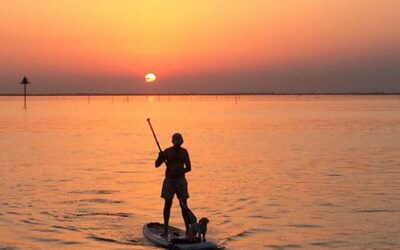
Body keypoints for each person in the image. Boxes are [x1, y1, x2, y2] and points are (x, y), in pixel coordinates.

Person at [155, 133, 192, 237]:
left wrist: (179, 172)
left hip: (180, 181)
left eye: (179, 143)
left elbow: (189, 168)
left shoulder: (184, 152)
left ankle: (188, 230)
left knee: (184, 206)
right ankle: (166, 230)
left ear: (181, 142)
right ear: (173, 142)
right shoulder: (167, 152)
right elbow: (157, 165)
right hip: (169, 181)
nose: (177, 145)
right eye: (176, 143)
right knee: (167, 205)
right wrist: (160, 156)